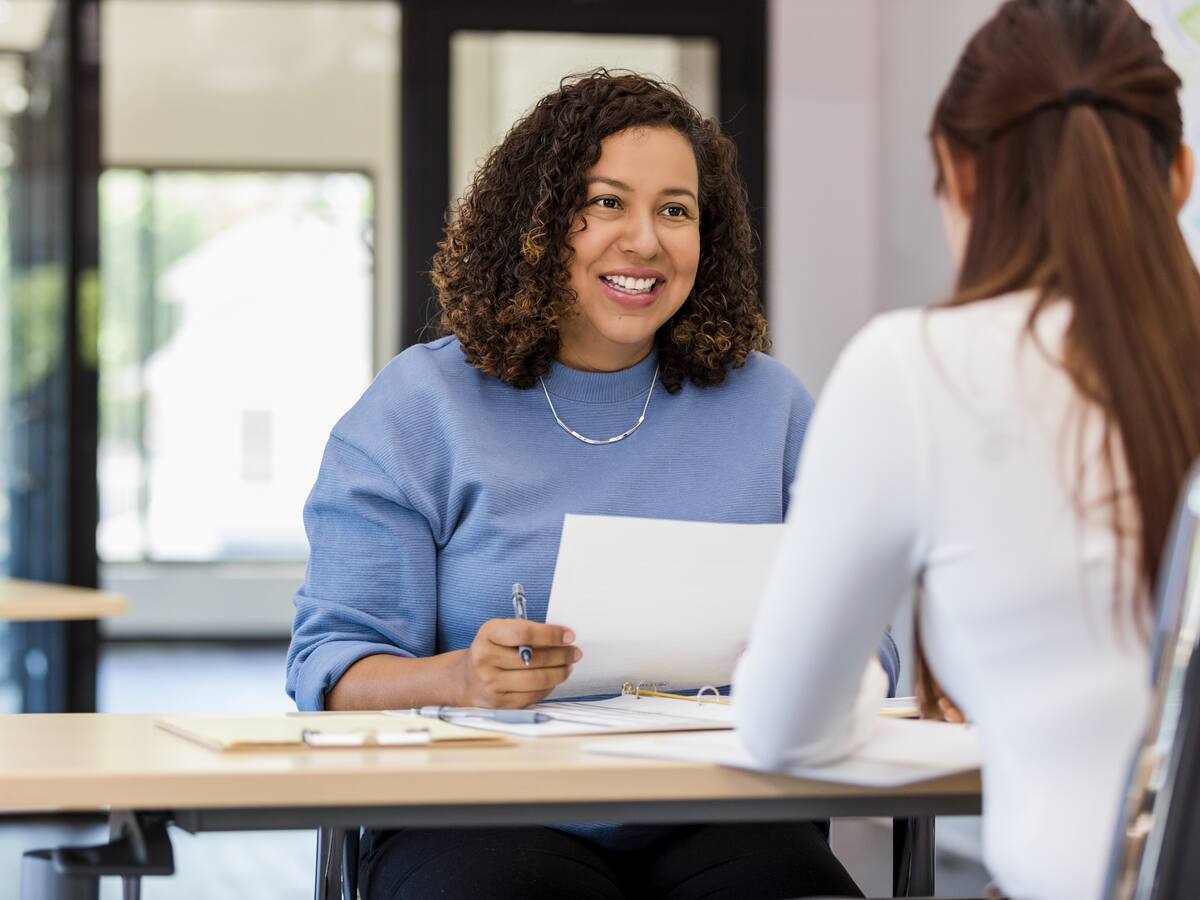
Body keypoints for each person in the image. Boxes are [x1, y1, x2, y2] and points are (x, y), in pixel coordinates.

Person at [286, 72, 894, 898]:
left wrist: (819, 663)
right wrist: (461, 678)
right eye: (607, 202)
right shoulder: (419, 409)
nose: (645, 240)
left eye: (676, 210)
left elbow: (873, 644)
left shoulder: (773, 407)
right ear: (538, 224)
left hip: (726, 811)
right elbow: (333, 666)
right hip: (483, 820)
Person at [734, 2, 1200, 899]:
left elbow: (784, 728)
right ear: (1179, 176)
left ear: (959, 174)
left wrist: (881, 695)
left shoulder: (916, 370)